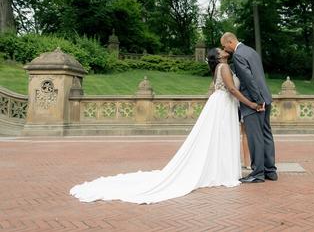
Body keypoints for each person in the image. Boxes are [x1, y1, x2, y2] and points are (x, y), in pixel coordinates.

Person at [70, 48, 259, 204]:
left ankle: (220, 169)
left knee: (219, 137)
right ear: (218, 56)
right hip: (223, 104)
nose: (223, 50)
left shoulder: (221, 67)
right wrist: (250, 104)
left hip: (221, 104)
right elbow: (232, 89)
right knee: (221, 137)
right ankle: (221, 170)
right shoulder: (224, 67)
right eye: (220, 50)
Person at [220, 32, 277, 183]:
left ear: (230, 41)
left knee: (255, 137)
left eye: (224, 45)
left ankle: (258, 173)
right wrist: (263, 99)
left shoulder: (238, 55)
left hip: (254, 102)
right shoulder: (251, 51)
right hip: (266, 96)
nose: (224, 48)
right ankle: (270, 171)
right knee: (266, 134)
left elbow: (249, 79)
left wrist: (257, 102)